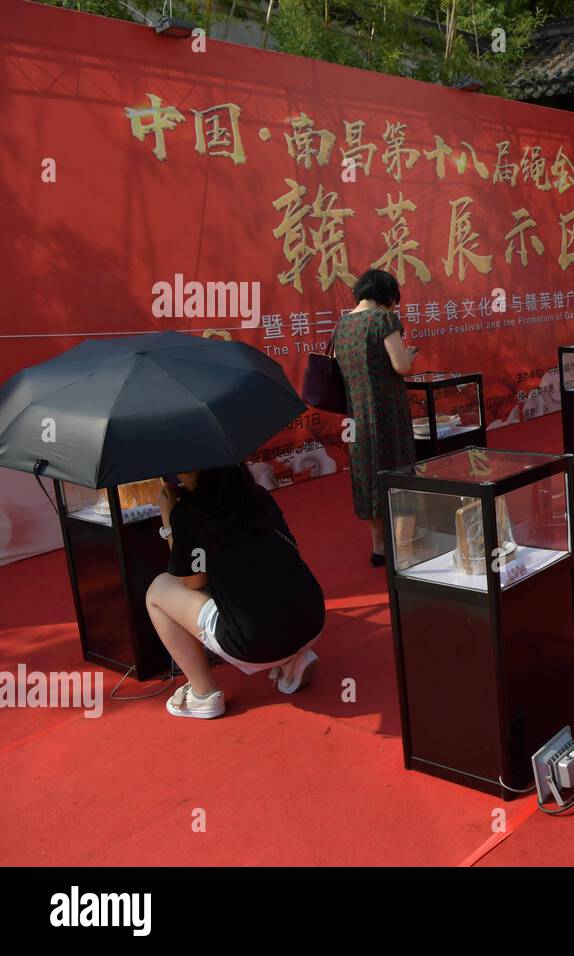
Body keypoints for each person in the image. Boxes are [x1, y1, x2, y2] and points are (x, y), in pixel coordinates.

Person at [145, 466, 327, 718]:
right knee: (257, 588)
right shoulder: (258, 495)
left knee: (158, 591)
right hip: (312, 618)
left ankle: (203, 693)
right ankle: (291, 659)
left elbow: (192, 582)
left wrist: (169, 521)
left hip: (252, 643)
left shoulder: (186, 513)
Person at [334, 269, 419, 566]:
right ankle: (404, 550)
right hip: (386, 415)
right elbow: (401, 366)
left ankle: (379, 547)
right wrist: (410, 355)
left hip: (355, 417)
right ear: (385, 295)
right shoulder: (383, 320)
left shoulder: (342, 324)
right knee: (399, 476)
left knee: (367, 477)